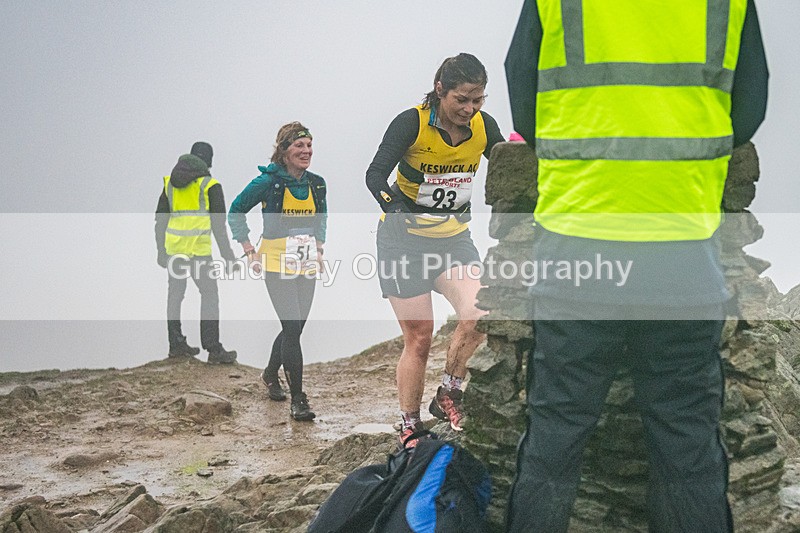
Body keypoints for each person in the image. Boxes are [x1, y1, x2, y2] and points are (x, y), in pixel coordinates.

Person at [504, 1, 768, 532]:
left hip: (576, 248)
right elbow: (751, 102)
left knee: (555, 434)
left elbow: (521, 94)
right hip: (683, 249)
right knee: (687, 442)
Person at [365, 53, 505, 447]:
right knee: (420, 336)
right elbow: (374, 174)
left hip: (452, 239)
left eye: (478, 100)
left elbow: (508, 161)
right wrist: (391, 205)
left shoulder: (482, 126)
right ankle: (409, 424)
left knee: (479, 314)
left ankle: (448, 393)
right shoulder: (411, 121)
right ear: (440, 90)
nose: (469, 109)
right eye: (462, 99)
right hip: (402, 243)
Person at [228, 122, 326, 422]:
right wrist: (248, 249)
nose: (306, 151)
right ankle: (298, 399)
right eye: (299, 146)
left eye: (309, 145)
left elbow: (321, 217)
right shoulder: (267, 182)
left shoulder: (317, 182)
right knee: (293, 327)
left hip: (306, 259)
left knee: (293, 328)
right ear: (284, 151)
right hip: (274, 261)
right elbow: (235, 209)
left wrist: (320, 249)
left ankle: (271, 373)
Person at [155, 141, 238, 364]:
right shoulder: (210, 185)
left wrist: (161, 251)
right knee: (210, 296)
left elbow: (160, 220)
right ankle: (213, 348)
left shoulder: (169, 184)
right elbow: (219, 227)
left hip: (175, 251)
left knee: (175, 297)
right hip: (199, 252)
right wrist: (229, 257)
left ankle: (176, 344)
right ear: (208, 160)